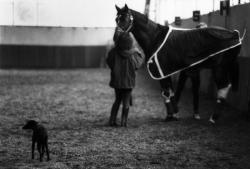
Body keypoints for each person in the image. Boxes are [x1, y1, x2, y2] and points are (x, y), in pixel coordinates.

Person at [106, 32, 144, 127]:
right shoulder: (133, 54)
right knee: (126, 102)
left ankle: (112, 121)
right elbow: (138, 65)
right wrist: (137, 52)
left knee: (117, 100)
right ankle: (124, 122)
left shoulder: (113, 52)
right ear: (130, 42)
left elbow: (109, 62)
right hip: (128, 82)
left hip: (117, 81)